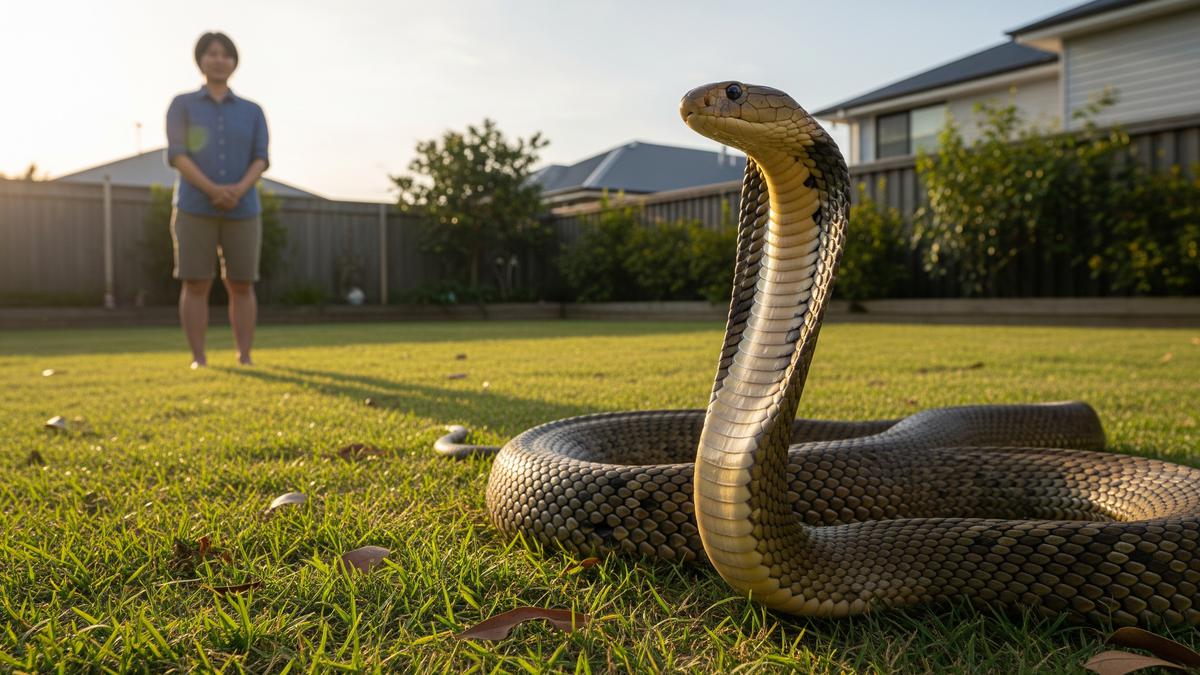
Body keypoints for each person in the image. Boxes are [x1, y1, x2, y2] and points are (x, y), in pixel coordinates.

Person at [165, 32, 269, 368]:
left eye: (226, 54)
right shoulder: (182, 105)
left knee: (242, 283)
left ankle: (245, 356)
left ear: (234, 61)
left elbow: (261, 157)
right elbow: (178, 154)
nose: (219, 59)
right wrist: (212, 189)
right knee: (196, 282)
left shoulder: (253, 111)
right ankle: (199, 358)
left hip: (245, 207)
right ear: (200, 60)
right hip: (195, 206)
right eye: (212, 54)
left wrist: (238, 189)